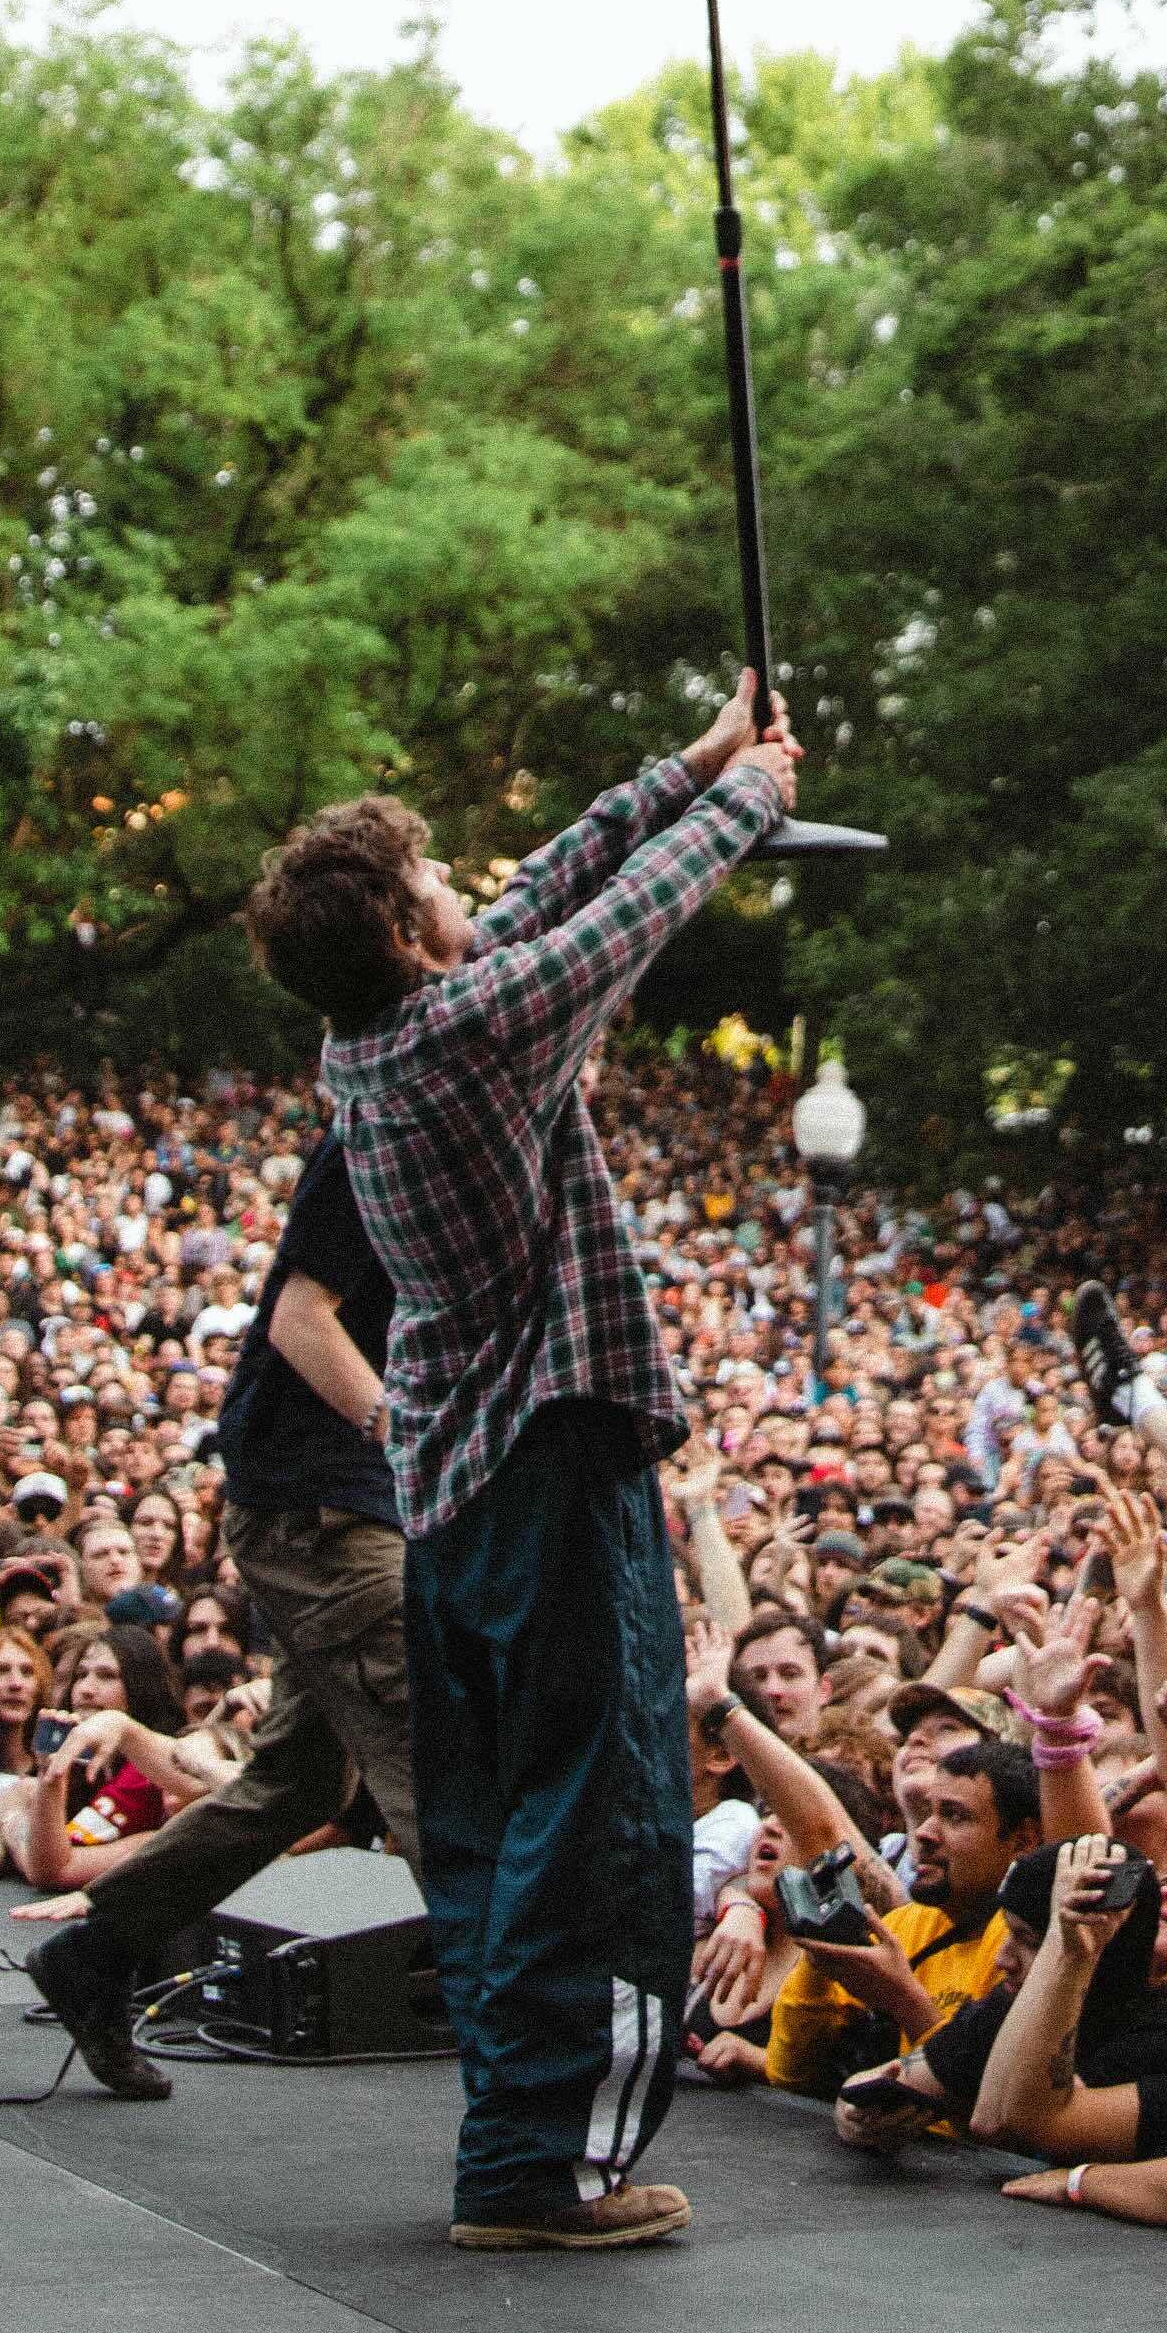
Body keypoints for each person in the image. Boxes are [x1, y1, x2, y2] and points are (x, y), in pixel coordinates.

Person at [245, 680, 797, 2249]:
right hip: (553, 1460)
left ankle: (512, 2149)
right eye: (433, 889)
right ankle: (548, 2167)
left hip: (460, 1484)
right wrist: (747, 798)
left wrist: (688, 762)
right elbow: (623, 919)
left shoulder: (376, 1044)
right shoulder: (472, 1032)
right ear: (413, 942)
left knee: (498, 1822)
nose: (462, 899)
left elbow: (548, 891)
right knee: (598, 1816)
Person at [0, 1135, 415, 2098]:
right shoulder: (385, 1127)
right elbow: (301, 1323)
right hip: (326, 1505)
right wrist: (413, 1440)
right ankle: (526, 2103)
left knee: (304, 1780)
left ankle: (98, 1954)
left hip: (347, 1502)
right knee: (441, 1761)